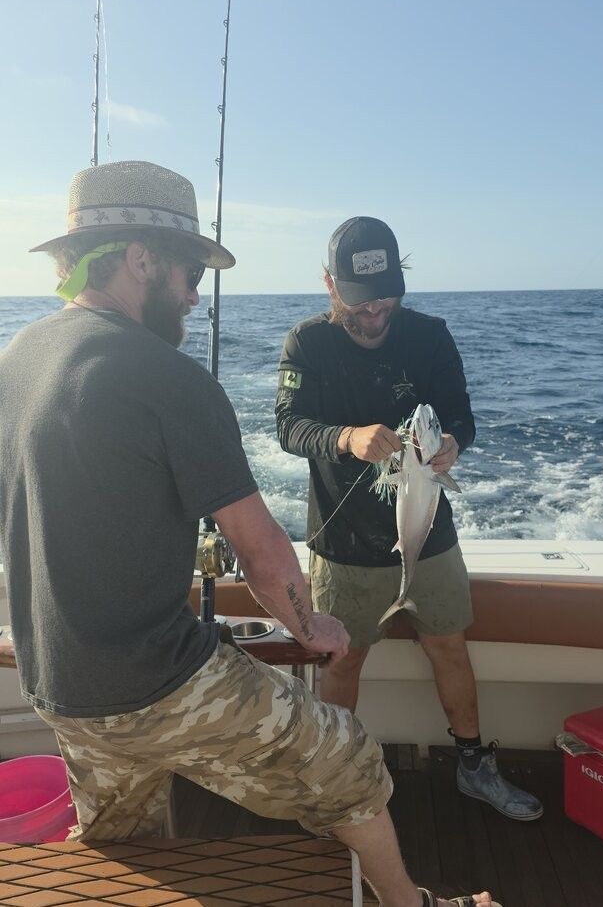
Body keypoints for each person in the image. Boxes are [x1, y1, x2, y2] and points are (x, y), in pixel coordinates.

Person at [0, 163, 499, 907]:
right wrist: (312, 624)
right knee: (353, 760)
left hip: (58, 683)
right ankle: (412, 904)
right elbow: (263, 552)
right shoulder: (168, 376)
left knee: (118, 837)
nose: (198, 294)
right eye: (190, 270)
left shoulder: (19, 357)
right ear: (141, 259)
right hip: (157, 680)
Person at [276, 216, 543, 822]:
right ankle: (336, 777)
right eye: (360, 298)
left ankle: (474, 763)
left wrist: (450, 441)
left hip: (430, 533)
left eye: (387, 295)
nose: (376, 311)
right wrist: (346, 437)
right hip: (343, 544)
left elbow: (463, 418)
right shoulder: (306, 343)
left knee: (449, 647)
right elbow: (288, 428)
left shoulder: (430, 336)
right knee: (342, 659)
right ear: (329, 285)